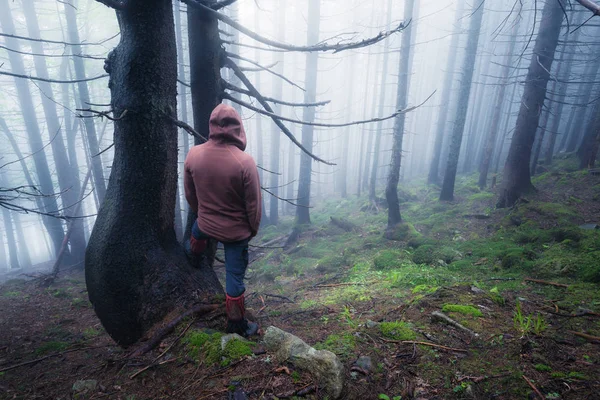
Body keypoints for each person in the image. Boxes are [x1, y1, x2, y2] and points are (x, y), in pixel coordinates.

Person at [184, 104, 262, 337]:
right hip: (235, 234)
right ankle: (237, 324)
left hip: (205, 222)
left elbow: (190, 193)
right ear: (238, 127)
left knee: (197, 232)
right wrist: (252, 229)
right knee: (234, 277)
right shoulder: (244, 162)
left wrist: (202, 212)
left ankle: (194, 255)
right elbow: (253, 204)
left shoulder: (194, 154)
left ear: (212, 126)